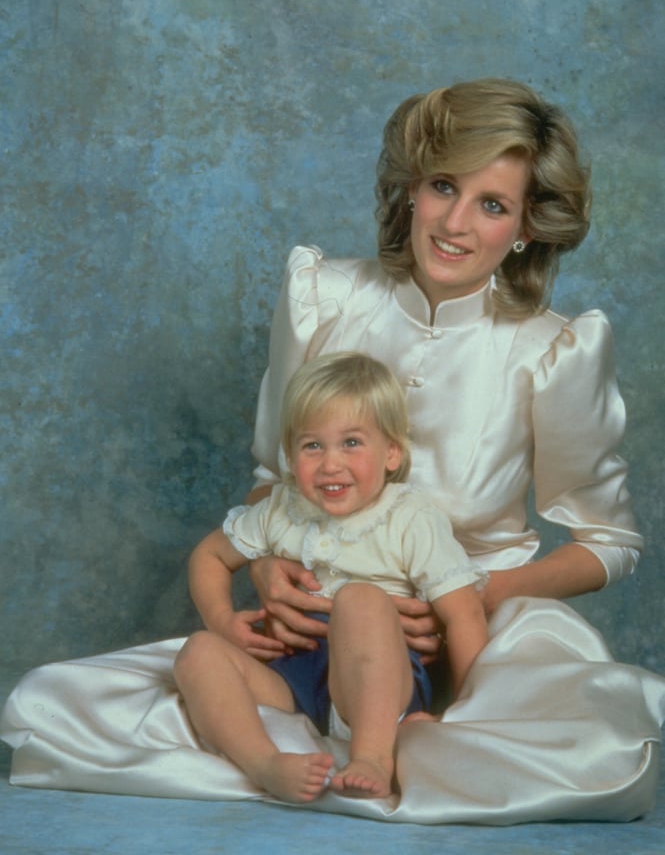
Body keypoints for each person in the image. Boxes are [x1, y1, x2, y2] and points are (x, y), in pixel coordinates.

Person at [2, 78, 663, 822]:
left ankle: (409, 736)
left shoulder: (554, 352)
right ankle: (293, 750)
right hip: (313, 621)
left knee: (589, 745)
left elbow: (611, 543)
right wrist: (264, 568)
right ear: (408, 189)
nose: (453, 222)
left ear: (524, 229)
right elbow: (271, 480)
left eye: (491, 204)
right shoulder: (326, 296)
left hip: (482, 623)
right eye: (442, 186)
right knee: (75, 704)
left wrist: (473, 598)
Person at [175, 352, 487, 802]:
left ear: (392, 453)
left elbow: (464, 617)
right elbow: (209, 556)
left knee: (361, 599)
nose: (330, 464)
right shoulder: (281, 508)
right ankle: (265, 763)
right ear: (289, 454)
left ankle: (374, 756)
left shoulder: (409, 516)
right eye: (312, 446)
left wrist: (464, 711)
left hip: (377, 685)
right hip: (291, 679)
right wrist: (222, 621)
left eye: (352, 443)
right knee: (197, 653)